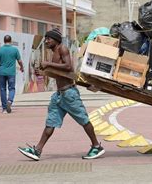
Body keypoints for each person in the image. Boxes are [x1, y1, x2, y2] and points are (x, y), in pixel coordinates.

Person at [18, 28, 105, 161]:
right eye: (46, 38)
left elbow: (68, 67)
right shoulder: (54, 52)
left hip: (69, 94)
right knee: (50, 122)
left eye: (49, 39)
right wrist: (44, 71)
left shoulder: (62, 49)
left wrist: (48, 64)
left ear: (56, 40)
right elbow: (58, 73)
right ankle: (38, 150)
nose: (46, 41)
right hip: (59, 95)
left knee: (83, 120)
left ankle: (96, 146)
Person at [0, 35, 24, 114]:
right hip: (11, 73)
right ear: (11, 41)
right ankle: (9, 101)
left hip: (2, 72)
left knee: (2, 89)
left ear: (4, 41)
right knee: (12, 88)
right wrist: (22, 67)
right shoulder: (15, 50)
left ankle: (4, 108)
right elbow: (20, 61)